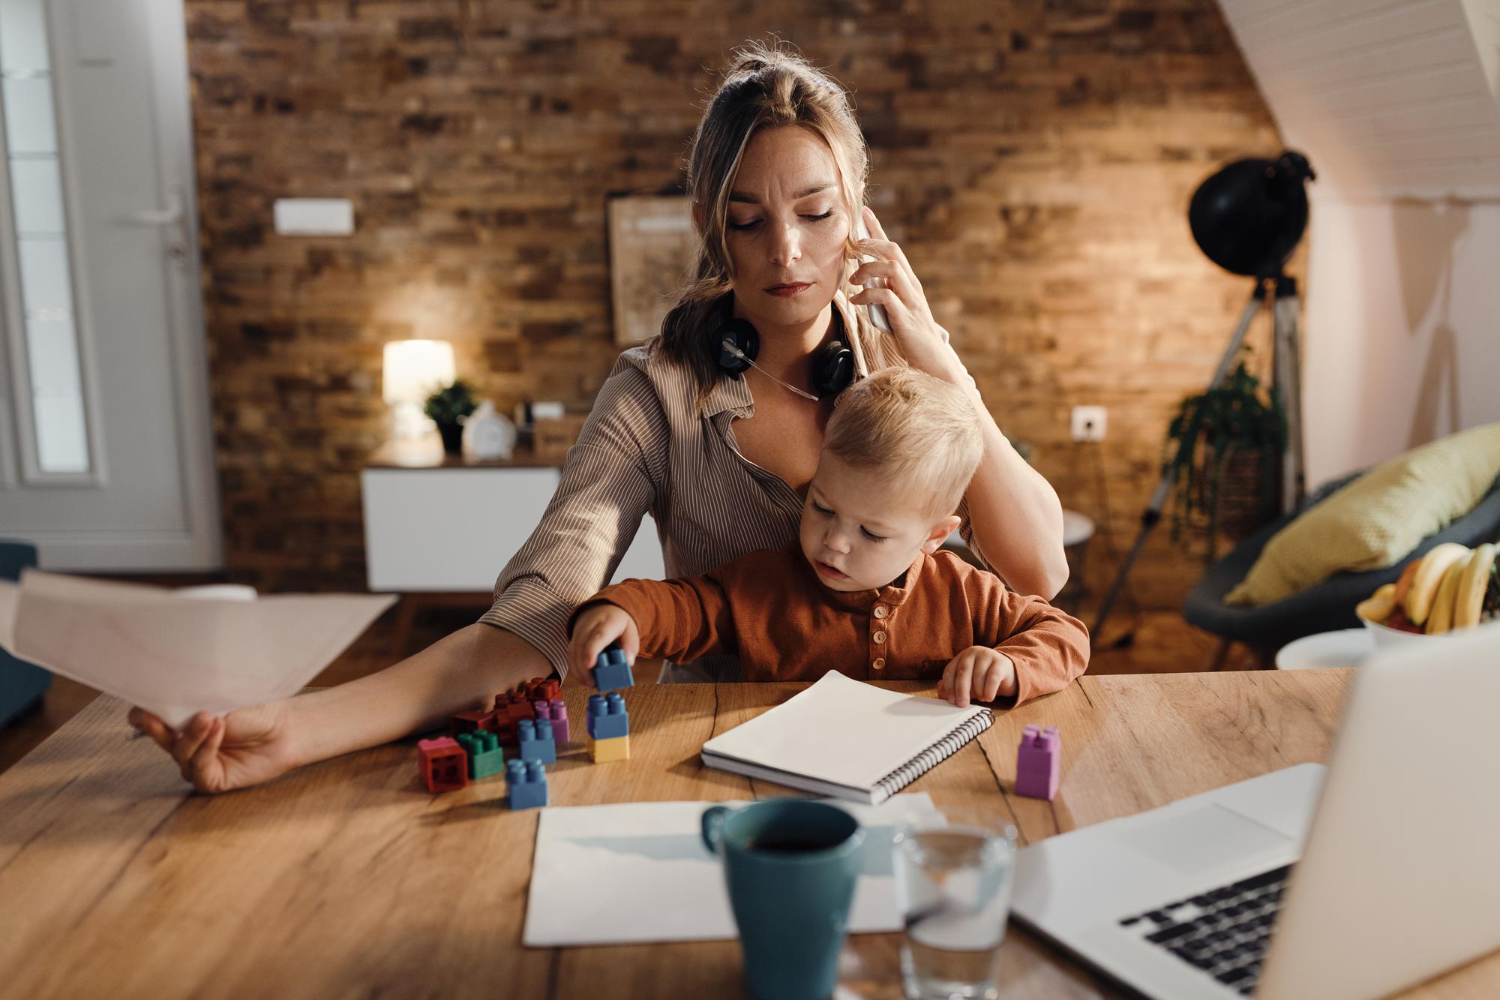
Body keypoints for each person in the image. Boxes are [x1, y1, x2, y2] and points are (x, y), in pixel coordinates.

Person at [129, 42, 1070, 792]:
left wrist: (940, 358)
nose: (786, 250)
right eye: (747, 221)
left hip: (922, 750)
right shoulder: (655, 393)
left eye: (817, 213)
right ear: (713, 225)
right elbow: (537, 615)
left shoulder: (908, 372)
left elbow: (1038, 569)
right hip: (729, 762)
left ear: (858, 215)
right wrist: (297, 728)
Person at [568, 368, 1089, 706]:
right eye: (821, 507)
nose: (835, 542)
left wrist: (1009, 665)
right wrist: (624, 611)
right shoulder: (767, 585)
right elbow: (685, 607)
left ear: (934, 536)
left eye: (871, 532)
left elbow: (1065, 635)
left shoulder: (963, 593)